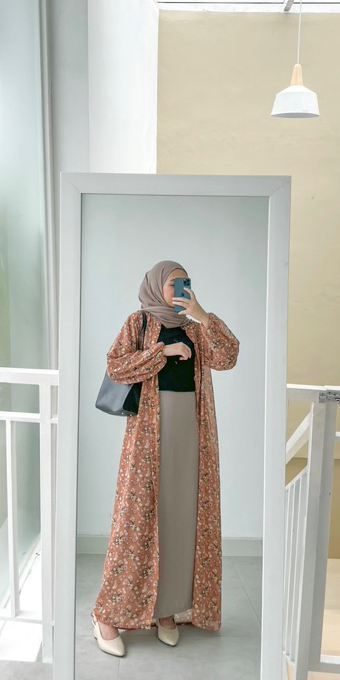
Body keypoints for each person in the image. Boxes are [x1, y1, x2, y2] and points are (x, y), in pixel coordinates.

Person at [91, 260, 240, 657]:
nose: (180, 290)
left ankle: (167, 610)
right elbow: (116, 366)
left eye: (185, 283)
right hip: (149, 436)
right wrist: (163, 351)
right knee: (137, 520)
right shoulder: (138, 322)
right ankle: (106, 615)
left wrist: (203, 315)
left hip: (191, 433)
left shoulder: (196, 329)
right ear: (157, 286)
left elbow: (228, 357)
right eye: (174, 284)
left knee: (181, 519)